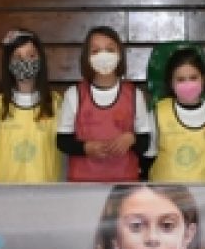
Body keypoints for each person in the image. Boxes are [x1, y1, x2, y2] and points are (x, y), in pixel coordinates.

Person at [57, 26, 151, 182]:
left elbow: (145, 142)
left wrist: (131, 139)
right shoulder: (74, 94)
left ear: (119, 54)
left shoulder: (135, 95)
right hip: (82, 184)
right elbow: (62, 141)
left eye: (110, 49)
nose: (103, 55)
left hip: (124, 183)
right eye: (96, 51)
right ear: (87, 57)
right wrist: (85, 148)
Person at [145, 48, 205, 183]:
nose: (188, 84)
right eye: (180, 79)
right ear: (171, 83)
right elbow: (149, 156)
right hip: (165, 193)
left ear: (203, 78)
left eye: (193, 78)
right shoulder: (158, 113)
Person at [0, 29, 63, 184]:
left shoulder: (57, 103)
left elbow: (64, 157)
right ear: (8, 62)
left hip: (48, 194)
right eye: (18, 57)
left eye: (31, 55)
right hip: (5, 195)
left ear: (40, 59)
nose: (25, 61)